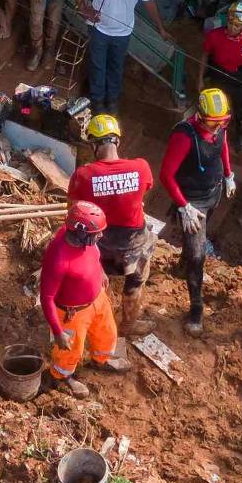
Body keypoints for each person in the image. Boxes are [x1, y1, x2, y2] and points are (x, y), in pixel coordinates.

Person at [67, 114, 156, 336]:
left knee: (98, 283)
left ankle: (99, 326)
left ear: (94, 144)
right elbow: (144, 191)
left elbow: (76, 209)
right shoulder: (141, 167)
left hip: (100, 241)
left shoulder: (83, 175)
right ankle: (129, 324)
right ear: (116, 140)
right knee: (136, 280)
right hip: (133, 241)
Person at [161, 87, 237, 334]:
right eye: (213, 123)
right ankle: (196, 307)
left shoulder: (219, 129)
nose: (217, 127)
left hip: (213, 194)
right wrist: (184, 206)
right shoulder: (185, 136)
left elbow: (223, 145)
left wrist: (228, 174)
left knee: (192, 248)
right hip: (193, 203)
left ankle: (182, 264)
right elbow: (166, 175)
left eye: (222, 122)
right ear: (201, 116)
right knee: (198, 255)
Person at [40, 200, 131, 397]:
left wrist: (102, 273)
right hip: (72, 314)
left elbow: (94, 257)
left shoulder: (85, 240)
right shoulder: (58, 259)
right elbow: (46, 297)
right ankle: (62, 376)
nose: (100, 235)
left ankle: (102, 359)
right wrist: (57, 332)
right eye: (96, 233)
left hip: (97, 299)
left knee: (107, 332)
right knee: (70, 351)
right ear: (80, 232)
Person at [74, 0, 160, 115]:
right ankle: (97, 102)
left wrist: (161, 28)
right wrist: (83, 7)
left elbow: (149, 1)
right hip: (98, 29)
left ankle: (112, 101)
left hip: (123, 32)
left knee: (116, 66)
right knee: (98, 66)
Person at [203, 1, 242, 138]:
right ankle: (215, 135)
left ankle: (239, 135)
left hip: (241, 77)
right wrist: (200, 78)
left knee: (240, 110)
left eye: (236, 25)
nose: (232, 27)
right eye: (230, 23)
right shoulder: (214, 36)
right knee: (217, 108)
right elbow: (205, 56)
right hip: (219, 75)